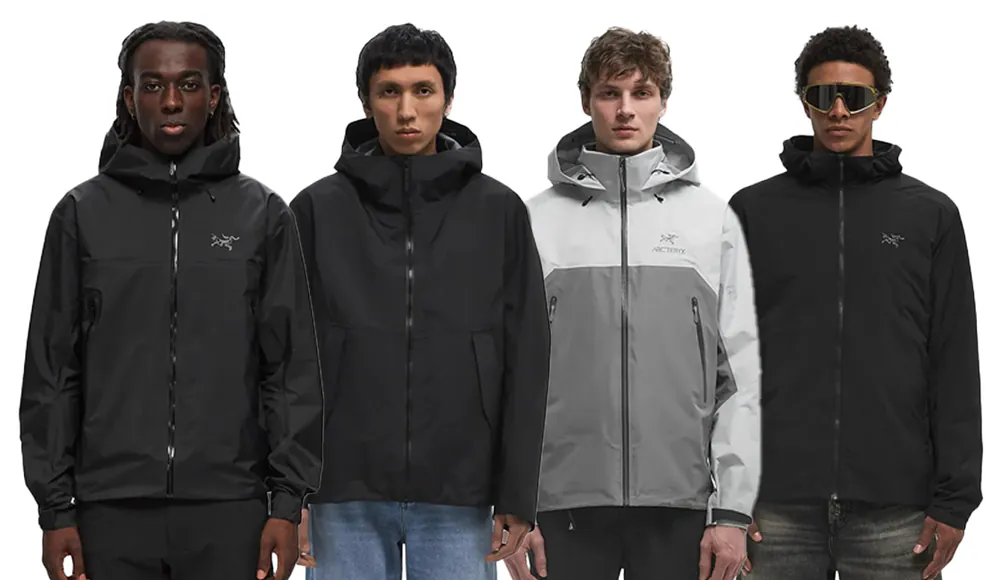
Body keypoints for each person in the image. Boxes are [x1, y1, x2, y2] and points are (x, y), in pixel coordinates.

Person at [19, 21, 324, 580]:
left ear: (215, 95)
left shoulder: (262, 215)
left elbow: (289, 371)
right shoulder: (81, 214)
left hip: (230, 508)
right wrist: (55, 508)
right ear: (128, 97)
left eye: (188, 84)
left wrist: (286, 502)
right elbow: (52, 372)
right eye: (153, 85)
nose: (171, 101)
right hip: (109, 510)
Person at [289, 23, 551, 580]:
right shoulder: (316, 210)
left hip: (461, 488)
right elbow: (286, 360)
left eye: (423, 91)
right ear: (367, 102)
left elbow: (527, 355)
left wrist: (517, 492)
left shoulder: (498, 211)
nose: (406, 111)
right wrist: (289, 495)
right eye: (389, 92)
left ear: (448, 99)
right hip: (340, 488)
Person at [504, 27, 761, 580]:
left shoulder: (709, 219)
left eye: (641, 93)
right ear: (586, 100)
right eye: (609, 93)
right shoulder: (533, 220)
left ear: (663, 101)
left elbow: (738, 377)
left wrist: (732, 511)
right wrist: (513, 504)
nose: (625, 110)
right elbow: (504, 375)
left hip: (681, 505)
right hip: (560, 505)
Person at [728, 25, 982, 580]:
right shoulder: (752, 211)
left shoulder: (930, 215)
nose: (838, 110)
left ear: (880, 104)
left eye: (854, 96)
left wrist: (955, 499)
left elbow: (954, 359)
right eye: (823, 96)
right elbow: (723, 361)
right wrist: (726, 495)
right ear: (805, 103)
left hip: (897, 508)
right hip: (774, 506)